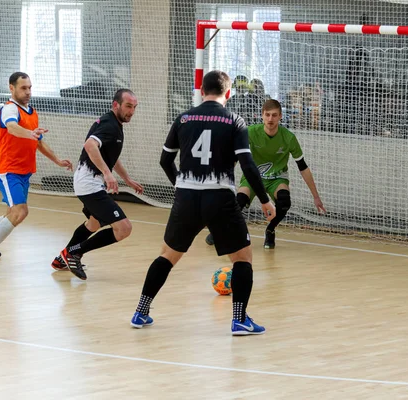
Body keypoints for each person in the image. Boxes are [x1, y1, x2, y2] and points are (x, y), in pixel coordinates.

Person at [130, 70, 276, 336]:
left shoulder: (183, 118)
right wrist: (265, 200)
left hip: (186, 197)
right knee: (243, 258)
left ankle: (140, 312)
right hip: (219, 197)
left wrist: (181, 185)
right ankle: (239, 320)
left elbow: (165, 161)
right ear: (228, 93)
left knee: (167, 256)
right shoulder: (234, 121)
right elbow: (247, 165)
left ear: (200, 90)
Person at [0, 72, 73, 275]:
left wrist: (57, 161)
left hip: (24, 171)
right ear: (12, 88)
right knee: (21, 211)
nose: (28, 92)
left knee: (12, 213)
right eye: (23, 88)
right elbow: (12, 128)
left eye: (29, 88)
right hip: (8, 169)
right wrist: (30, 134)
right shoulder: (9, 109)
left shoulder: (31, 112)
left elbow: (37, 142)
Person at [206, 99, 326, 249]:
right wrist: (221, 180)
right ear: (261, 115)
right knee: (239, 201)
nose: (270, 119)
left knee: (284, 202)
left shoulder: (288, 138)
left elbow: (303, 167)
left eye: (274, 115)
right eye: (267, 115)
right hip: (253, 178)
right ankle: (220, 230)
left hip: (277, 179)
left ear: (280, 116)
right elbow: (235, 157)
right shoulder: (250, 132)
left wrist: (316, 196)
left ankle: (270, 230)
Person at [52, 89, 143, 281]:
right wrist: (107, 174)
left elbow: (110, 156)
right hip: (89, 184)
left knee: (93, 223)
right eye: (128, 106)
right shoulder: (110, 125)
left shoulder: (114, 124)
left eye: (134, 107)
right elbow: (90, 145)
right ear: (115, 105)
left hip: (89, 182)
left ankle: (62, 259)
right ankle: (73, 253)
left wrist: (126, 179)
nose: (132, 111)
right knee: (124, 229)